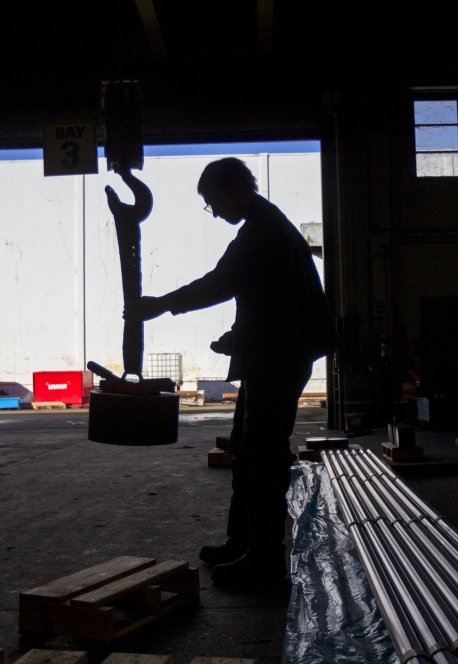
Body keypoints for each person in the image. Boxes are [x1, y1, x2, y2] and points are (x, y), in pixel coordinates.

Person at [125, 157, 337, 588]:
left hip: (278, 358)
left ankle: (264, 557)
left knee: (264, 453)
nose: (214, 211)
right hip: (272, 352)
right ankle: (242, 541)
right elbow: (268, 296)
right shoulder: (266, 226)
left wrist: (158, 305)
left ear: (234, 188)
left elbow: (220, 282)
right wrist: (238, 335)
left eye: (212, 201)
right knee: (247, 446)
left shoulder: (263, 232)